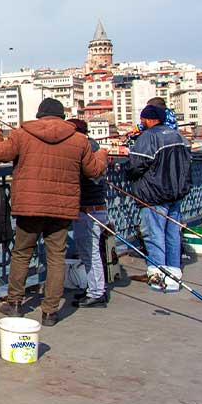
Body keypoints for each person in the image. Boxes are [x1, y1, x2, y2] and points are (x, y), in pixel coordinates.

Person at [0, 99, 108, 326]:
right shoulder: (79, 139)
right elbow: (93, 170)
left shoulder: (22, 134)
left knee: (22, 253)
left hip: (30, 205)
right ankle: (50, 311)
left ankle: (14, 302)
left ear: (40, 114)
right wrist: (102, 154)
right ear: (62, 116)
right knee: (56, 257)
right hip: (61, 208)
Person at [126, 104, 192, 292]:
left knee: (154, 234)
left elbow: (136, 165)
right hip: (177, 193)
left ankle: (158, 275)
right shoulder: (179, 136)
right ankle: (174, 273)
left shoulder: (148, 137)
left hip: (154, 194)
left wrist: (128, 172)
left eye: (142, 119)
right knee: (172, 233)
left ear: (148, 119)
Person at [66, 119, 110, 308]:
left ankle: (96, 293)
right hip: (97, 207)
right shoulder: (94, 147)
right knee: (90, 251)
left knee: (90, 252)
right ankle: (94, 288)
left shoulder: (82, 149)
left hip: (88, 209)